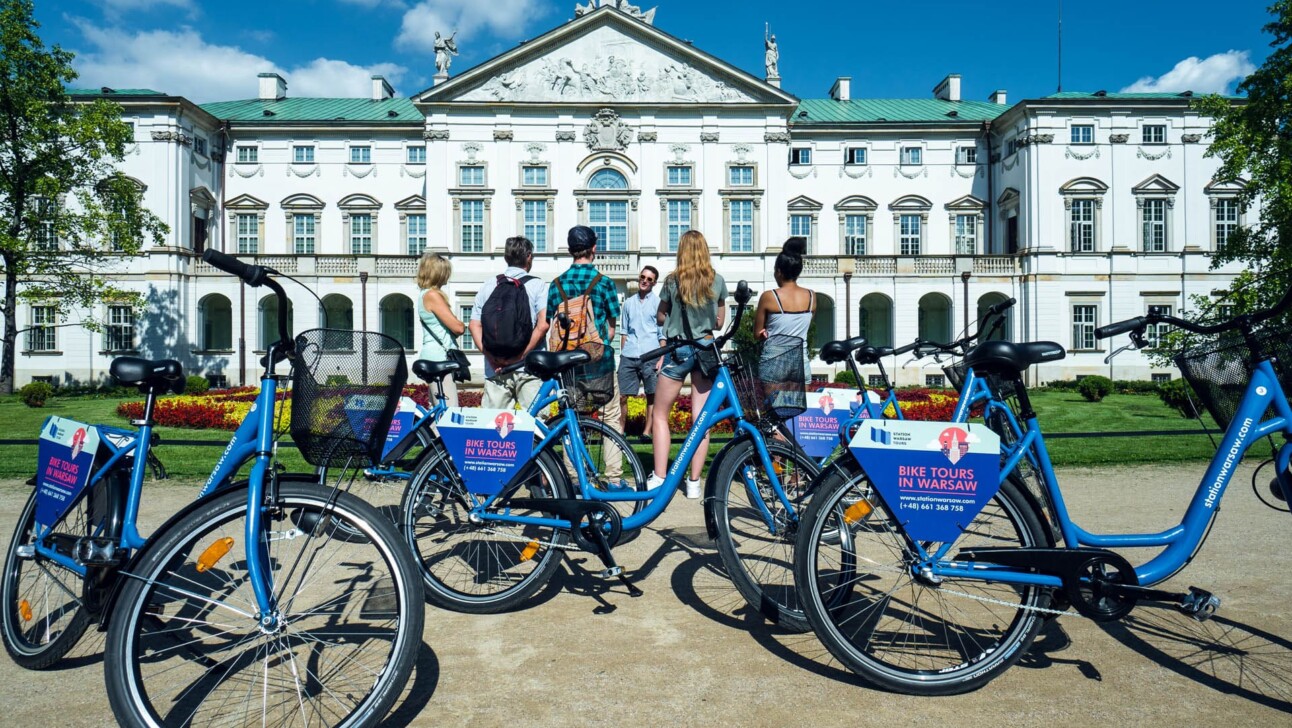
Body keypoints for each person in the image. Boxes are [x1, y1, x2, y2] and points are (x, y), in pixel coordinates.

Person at [651, 230, 728, 499]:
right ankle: (694, 482)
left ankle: (660, 476)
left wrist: (671, 315)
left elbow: (661, 316)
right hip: (706, 350)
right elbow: (719, 323)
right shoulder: (717, 281)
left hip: (679, 350)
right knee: (701, 418)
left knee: (660, 414)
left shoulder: (673, 281)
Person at [547, 225, 625, 485]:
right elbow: (612, 329)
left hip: (567, 366)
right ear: (594, 248)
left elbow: (552, 325)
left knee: (573, 420)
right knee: (611, 417)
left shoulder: (556, 285)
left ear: (571, 250)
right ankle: (613, 478)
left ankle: (575, 477)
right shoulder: (604, 283)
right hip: (598, 362)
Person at [470, 236, 549, 410]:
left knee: (493, 425)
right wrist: (519, 357)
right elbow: (543, 325)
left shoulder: (488, 285)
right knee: (537, 426)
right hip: (528, 368)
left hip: (495, 368)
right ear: (529, 256)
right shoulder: (538, 285)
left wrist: (491, 358)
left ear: (506, 258)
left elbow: (474, 325)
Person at [754, 236, 815, 371]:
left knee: (772, 394)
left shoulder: (769, 296)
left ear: (779, 272)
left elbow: (758, 333)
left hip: (774, 360)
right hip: (800, 361)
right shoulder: (811, 296)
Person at [416, 252, 467, 406]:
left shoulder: (424, 295)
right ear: (438, 273)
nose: (447, 276)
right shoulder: (432, 295)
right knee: (449, 412)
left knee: (438, 409)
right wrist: (461, 324)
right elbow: (458, 328)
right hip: (440, 358)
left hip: (433, 355)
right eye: (445, 272)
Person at [619, 265, 661, 423]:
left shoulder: (658, 304)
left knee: (652, 395)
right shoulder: (628, 303)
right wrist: (623, 352)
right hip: (629, 355)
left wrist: (661, 358)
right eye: (642, 277)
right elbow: (624, 331)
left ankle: (647, 431)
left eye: (649, 279)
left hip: (651, 354)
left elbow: (662, 334)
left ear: (654, 283)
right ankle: (621, 431)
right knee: (622, 395)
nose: (644, 281)